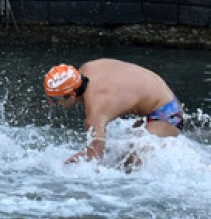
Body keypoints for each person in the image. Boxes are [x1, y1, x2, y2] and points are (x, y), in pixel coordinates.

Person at [43, 60, 184, 166]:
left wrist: (74, 164)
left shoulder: (97, 108)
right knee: (121, 158)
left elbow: (93, 164)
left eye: (55, 99)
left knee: (130, 167)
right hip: (160, 94)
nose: (51, 103)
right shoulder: (87, 68)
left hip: (167, 113)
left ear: (72, 95)